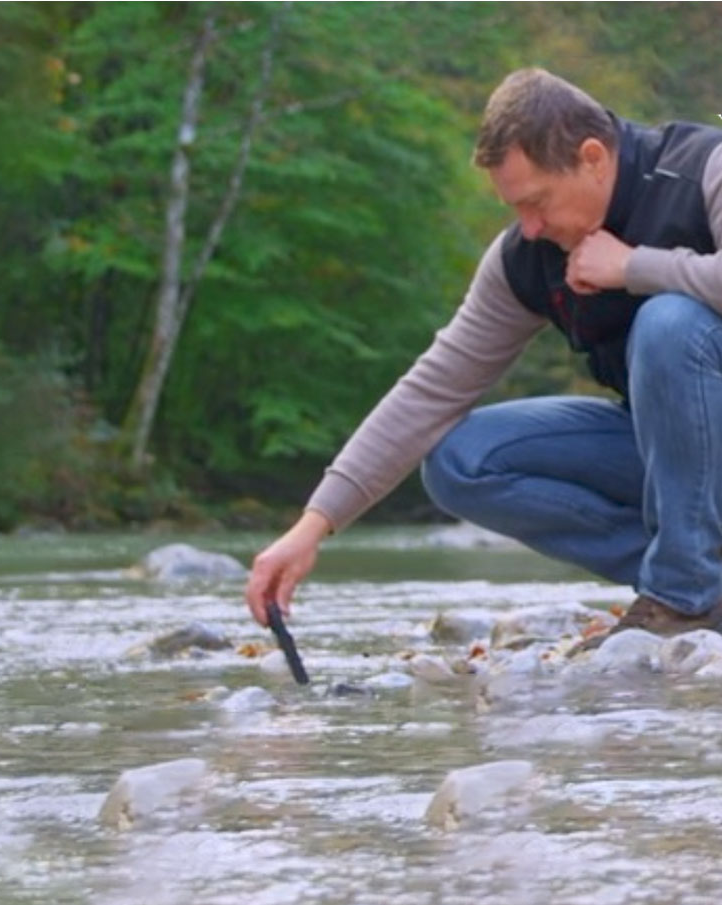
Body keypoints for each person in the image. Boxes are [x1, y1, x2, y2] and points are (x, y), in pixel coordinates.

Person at [245, 68, 722, 648]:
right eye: (514, 208)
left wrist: (636, 268)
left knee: (669, 323)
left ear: (593, 157)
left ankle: (682, 598)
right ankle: (698, 582)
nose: (529, 226)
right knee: (459, 459)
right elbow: (431, 390)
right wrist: (313, 525)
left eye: (536, 202)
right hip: (682, 467)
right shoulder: (526, 258)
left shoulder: (703, 168)